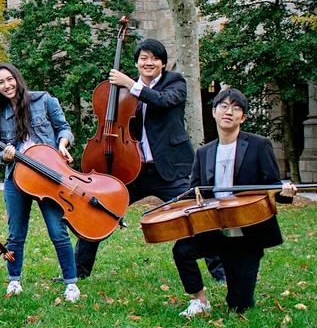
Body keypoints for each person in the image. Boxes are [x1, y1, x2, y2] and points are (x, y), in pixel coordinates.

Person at [73, 39, 224, 283]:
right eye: (143, 58)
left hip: (169, 169)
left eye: (154, 58)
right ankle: (78, 272)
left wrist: (132, 85)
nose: (149, 63)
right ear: (136, 62)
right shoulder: (122, 90)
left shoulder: (175, 82)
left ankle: (221, 273)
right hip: (132, 169)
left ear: (163, 63)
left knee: (198, 214)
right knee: (99, 210)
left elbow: (162, 101)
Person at [172, 88, 296, 318]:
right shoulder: (203, 153)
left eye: (236, 108)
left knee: (239, 307)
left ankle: (238, 292)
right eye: (224, 106)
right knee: (182, 250)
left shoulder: (259, 146)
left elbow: (271, 187)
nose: (229, 112)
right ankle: (199, 301)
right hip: (214, 228)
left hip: (247, 234)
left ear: (243, 117)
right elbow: (195, 191)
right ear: (214, 112)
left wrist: (285, 192)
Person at [0, 63, 81, 302]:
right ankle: (14, 281)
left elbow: (64, 128)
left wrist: (62, 145)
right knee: (15, 234)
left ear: (17, 79)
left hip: (48, 176)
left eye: (9, 79)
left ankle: (71, 284)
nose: (7, 85)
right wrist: (5, 155)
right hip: (16, 179)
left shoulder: (44, 100)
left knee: (57, 230)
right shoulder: (0, 114)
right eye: (1, 83)